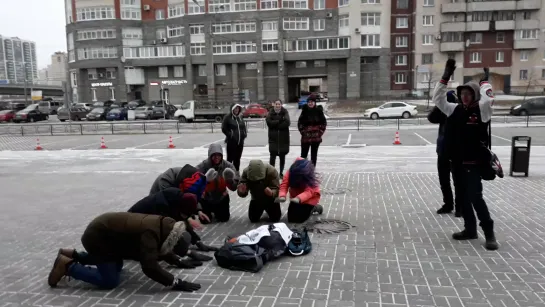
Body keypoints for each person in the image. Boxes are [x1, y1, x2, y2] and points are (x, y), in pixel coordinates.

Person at [432, 59, 498, 250]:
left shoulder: (482, 111)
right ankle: (470, 229)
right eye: (462, 94)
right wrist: (445, 77)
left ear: (475, 95)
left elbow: (488, 99)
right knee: (463, 198)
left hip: (474, 162)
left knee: (476, 197)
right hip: (457, 162)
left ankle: (489, 234)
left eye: (469, 94)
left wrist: (485, 81)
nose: (465, 97)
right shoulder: (454, 110)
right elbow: (438, 99)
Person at [48, 212, 202, 292]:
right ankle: (67, 266)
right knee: (110, 281)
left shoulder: (165, 226)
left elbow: (159, 250)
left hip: (107, 236)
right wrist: (175, 281)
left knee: (117, 266)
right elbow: (149, 266)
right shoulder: (150, 235)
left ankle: (74, 255)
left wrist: (177, 261)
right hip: (97, 237)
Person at [128, 188, 219, 256]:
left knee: (185, 235)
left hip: (145, 221)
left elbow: (182, 219)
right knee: (181, 238)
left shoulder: (177, 199)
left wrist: (198, 242)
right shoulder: (162, 208)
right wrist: (188, 253)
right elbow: (167, 236)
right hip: (132, 228)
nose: (185, 217)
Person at [428, 90, 462, 217]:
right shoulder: (443, 112)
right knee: (444, 180)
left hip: (457, 152)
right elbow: (431, 118)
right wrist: (439, 106)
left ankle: (460, 207)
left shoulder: (459, 111)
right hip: (442, 150)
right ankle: (448, 204)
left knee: (458, 181)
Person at [148, 164, 217, 222]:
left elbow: (193, 195)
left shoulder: (190, 178)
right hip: (158, 207)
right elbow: (170, 206)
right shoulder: (166, 181)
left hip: (173, 202)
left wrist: (199, 210)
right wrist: (187, 219)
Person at [196, 143, 239, 223]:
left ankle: (217, 211)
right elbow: (193, 179)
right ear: (210, 156)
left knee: (224, 219)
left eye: (219, 155)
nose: (216, 157)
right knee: (205, 221)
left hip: (221, 197)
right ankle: (208, 211)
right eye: (214, 155)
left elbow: (235, 186)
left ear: (222, 156)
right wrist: (203, 184)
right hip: (206, 198)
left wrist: (230, 181)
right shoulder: (204, 165)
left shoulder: (228, 166)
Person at [279, 157, 324, 223]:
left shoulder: (308, 174)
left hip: (309, 199)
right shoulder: (291, 171)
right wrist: (282, 195)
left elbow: (309, 191)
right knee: (291, 219)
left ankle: (314, 208)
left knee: (299, 219)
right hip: (295, 198)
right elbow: (284, 184)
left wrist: (299, 198)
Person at [298, 96, 327, 167]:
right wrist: (303, 132)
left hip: (316, 137)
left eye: (312, 102)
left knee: (314, 155)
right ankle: (303, 170)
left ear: (315, 102)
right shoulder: (304, 111)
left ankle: (312, 171)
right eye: (309, 102)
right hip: (306, 137)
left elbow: (324, 123)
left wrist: (319, 133)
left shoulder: (319, 111)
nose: (310, 103)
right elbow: (300, 123)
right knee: (303, 155)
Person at [266, 100, 291, 177]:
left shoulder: (285, 112)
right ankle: (272, 173)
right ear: (274, 105)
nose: (277, 105)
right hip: (273, 139)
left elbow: (287, 122)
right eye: (276, 104)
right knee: (272, 156)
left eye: (279, 104)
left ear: (281, 105)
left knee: (282, 156)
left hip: (283, 139)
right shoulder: (270, 112)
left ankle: (280, 172)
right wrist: (279, 121)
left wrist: (276, 125)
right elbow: (269, 122)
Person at [222, 103, 247, 171]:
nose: (237, 110)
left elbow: (243, 127)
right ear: (232, 109)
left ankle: (236, 173)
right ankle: (229, 174)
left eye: (238, 108)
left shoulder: (240, 117)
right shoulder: (227, 117)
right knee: (230, 159)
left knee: (237, 159)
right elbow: (224, 128)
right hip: (231, 142)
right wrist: (231, 135)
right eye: (235, 108)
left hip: (240, 143)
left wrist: (244, 134)